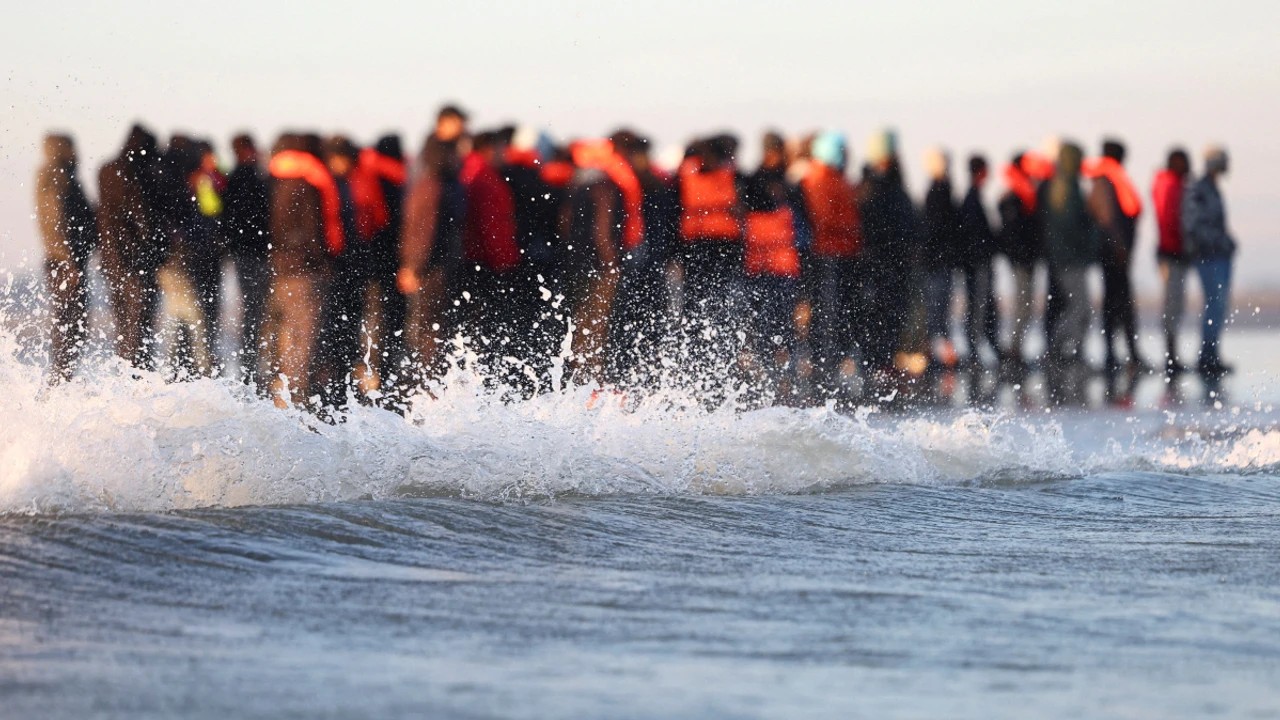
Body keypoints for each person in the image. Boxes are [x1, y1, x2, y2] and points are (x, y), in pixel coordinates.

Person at [265, 133, 344, 407]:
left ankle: (284, 396)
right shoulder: (307, 185)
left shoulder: (275, 181)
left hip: (281, 269)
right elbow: (312, 232)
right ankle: (299, 401)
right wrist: (321, 263)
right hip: (306, 272)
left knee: (287, 336)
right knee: (305, 340)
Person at [675, 134, 746, 381]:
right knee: (713, 306)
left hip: (704, 247)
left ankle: (699, 360)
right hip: (713, 247)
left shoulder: (686, 173)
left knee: (701, 306)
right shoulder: (730, 174)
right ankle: (711, 362)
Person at [98, 124, 165, 370]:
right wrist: (158, 248)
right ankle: (138, 383)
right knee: (138, 329)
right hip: (135, 261)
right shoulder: (133, 173)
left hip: (112, 260)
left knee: (125, 327)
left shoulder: (106, 170)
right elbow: (142, 217)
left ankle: (128, 383)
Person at [743, 131, 805, 397]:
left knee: (784, 328)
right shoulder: (760, 181)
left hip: (782, 265)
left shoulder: (784, 182)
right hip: (764, 265)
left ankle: (783, 382)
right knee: (767, 327)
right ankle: (770, 382)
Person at [457, 130, 521, 382]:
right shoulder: (482, 176)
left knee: (481, 326)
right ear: (487, 149)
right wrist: (502, 261)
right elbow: (490, 225)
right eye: (499, 149)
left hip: (483, 259)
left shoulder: (479, 172)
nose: (503, 154)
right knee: (482, 326)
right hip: (484, 263)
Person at [800, 131, 861, 397]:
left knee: (838, 312)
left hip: (841, 253)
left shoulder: (834, 178)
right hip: (829, 254)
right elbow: (824, 218)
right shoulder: (820, 179)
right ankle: (824, 368)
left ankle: (829, 366)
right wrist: (853, 230)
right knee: (828, 313)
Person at [399, 136, 465, 379]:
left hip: (436, 268)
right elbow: (423, 232)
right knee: (429, 330)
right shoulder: (433, 187)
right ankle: (428, 383)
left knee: (430, 329)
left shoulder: (436, 185)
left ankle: (429, 381)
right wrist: (414, 268)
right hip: (431, 270)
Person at [35, 134, 97, 384]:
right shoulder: (56, 174)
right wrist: (69, 260)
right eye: (71, 147)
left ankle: (62, 380)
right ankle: (60, 383)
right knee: (69, 324)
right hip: (63, 263)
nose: (76, 152)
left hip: (65, 261)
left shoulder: (59, 173)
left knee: (73, 323)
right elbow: (56, 218)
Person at [859, 129, 917, 388]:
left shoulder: (889, 185)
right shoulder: (874, 188)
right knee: (881, 316)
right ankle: (877, 365)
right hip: (882, 263)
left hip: (895, 262)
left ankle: (884, 363)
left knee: (893, 314)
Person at [1039, 142, 1096, 405]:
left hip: (1068, 257)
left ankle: (1064, 350)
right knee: (1080, 308)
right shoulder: (1065, 186)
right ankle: (1058, 350)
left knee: (1080, 308)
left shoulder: (1065, 184)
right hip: (1069, 258)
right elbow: (1070, 225)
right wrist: (1093, 237)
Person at [1085, 139, 1147, 372]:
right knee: (1117, 304)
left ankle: (1126, 353)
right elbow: (1108, 220)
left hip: (1115, 253)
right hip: (1112, 254)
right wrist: (1120, 247)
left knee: (1118, 304)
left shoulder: (1108, 180)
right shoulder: (1105, 181)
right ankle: (1116, 354)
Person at [1182, 145, 1236, 378]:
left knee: (1219, 305)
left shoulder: (1210, 188)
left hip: (1218, 254)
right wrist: (1218, 242)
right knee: (1214, 304)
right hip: (1209, 256)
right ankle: (1207, 356)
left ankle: (1211, 353)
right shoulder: (1200, 189)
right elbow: (1193, 224)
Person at [222, 134, 271, 387]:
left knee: (252, 310)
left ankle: (250, 367)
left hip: (243, 253)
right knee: (257, 310)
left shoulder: (233, 178)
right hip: (257, 254)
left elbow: (226, 217)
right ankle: (254, 368)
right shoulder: (253, 177)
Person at [997, 152, 1045, 374]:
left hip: (1025, 260)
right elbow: (1014, 234)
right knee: (1023, 306)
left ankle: (1015, 349)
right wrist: (1024, 256)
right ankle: (1014, 351)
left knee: (1025, 306)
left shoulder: (1022, 195)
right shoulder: (1014, 198)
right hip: (1021, 261)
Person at [958, 154, 1001, 370]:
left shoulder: (972, 197)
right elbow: (975, 235)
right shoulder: (972, 199)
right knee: (978, 308)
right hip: (978, 264)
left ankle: (979, 351)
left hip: (977, 263)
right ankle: (974, 353)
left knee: (980, 307)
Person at [1152, 148, 1192, 376]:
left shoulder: (1173, 184)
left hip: (1173, 252)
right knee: (1172, 303)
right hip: (1171, 253)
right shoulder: (1169, 185)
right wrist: (1179, 247)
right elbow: (1169, 219)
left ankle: (1172, 355)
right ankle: (1170, 356)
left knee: (1176, 304)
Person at [920, 147, 959, 373]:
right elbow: (938, 229)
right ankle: (936, 353)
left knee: (938, 309)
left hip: (938, 260)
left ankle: (938, 353)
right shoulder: (940, 191)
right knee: (937, 309)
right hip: (938, 261)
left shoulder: (939, 189)